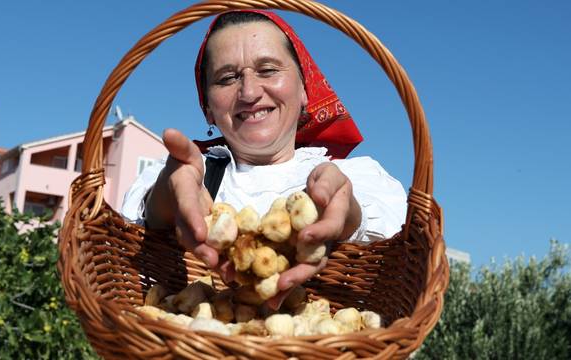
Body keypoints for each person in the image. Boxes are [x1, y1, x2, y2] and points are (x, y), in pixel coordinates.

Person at [121, 10, 407, 309]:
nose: (249, 92)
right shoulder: (193, 172)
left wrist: (346, 212)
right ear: (207, 108)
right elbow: (151, 217)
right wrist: (171, 191)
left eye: (268, 70)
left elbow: (396, 242)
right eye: (227, 78)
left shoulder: (353, 177)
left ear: (304, 90)